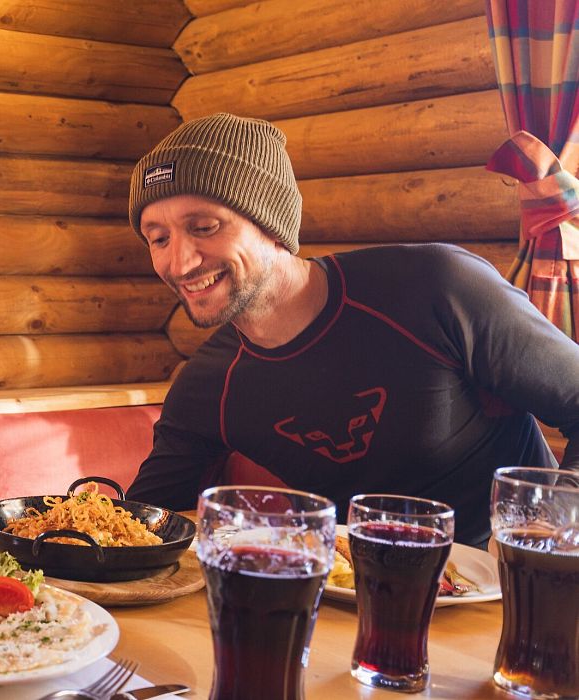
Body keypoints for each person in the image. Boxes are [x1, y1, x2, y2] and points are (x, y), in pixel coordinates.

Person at [122, 112, 579, 547]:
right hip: (351, 603)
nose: (179, 262)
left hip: (509, 594)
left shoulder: (436, 288)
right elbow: (136, 528)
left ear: (272, 224)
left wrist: (542, 547)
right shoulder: (208, 385)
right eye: (158, 238)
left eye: (204, 226)